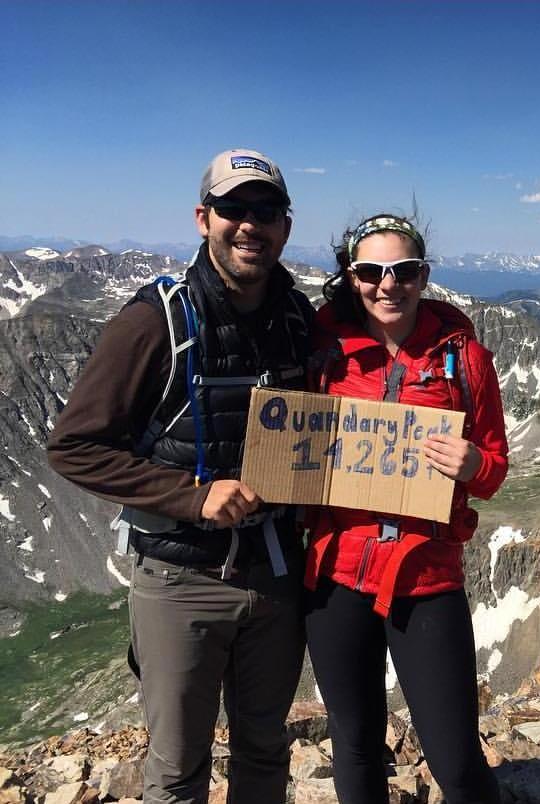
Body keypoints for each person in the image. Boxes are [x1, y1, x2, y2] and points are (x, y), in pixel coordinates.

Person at [47, 149, 314, 804]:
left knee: (264, 747)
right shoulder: (152, 322)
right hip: (179, 582)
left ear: (285, 225)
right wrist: (192, 499)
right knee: (176, 768)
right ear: (204, 218)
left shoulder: (297, 320)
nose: (250, 224)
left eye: (266, 211)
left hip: (275, 577)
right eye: (233, 209)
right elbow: (74, 446)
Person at [303, 213, 508, 804]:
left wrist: (473, 465)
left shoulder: (464, 360)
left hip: (425, 575)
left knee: (456, 761)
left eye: (405, 271)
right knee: (355, 742)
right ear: (351, 274)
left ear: (424, 275)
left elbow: (494, 469)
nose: (388, 285)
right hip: (336, 574)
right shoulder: (323, 346)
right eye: (371, 271)